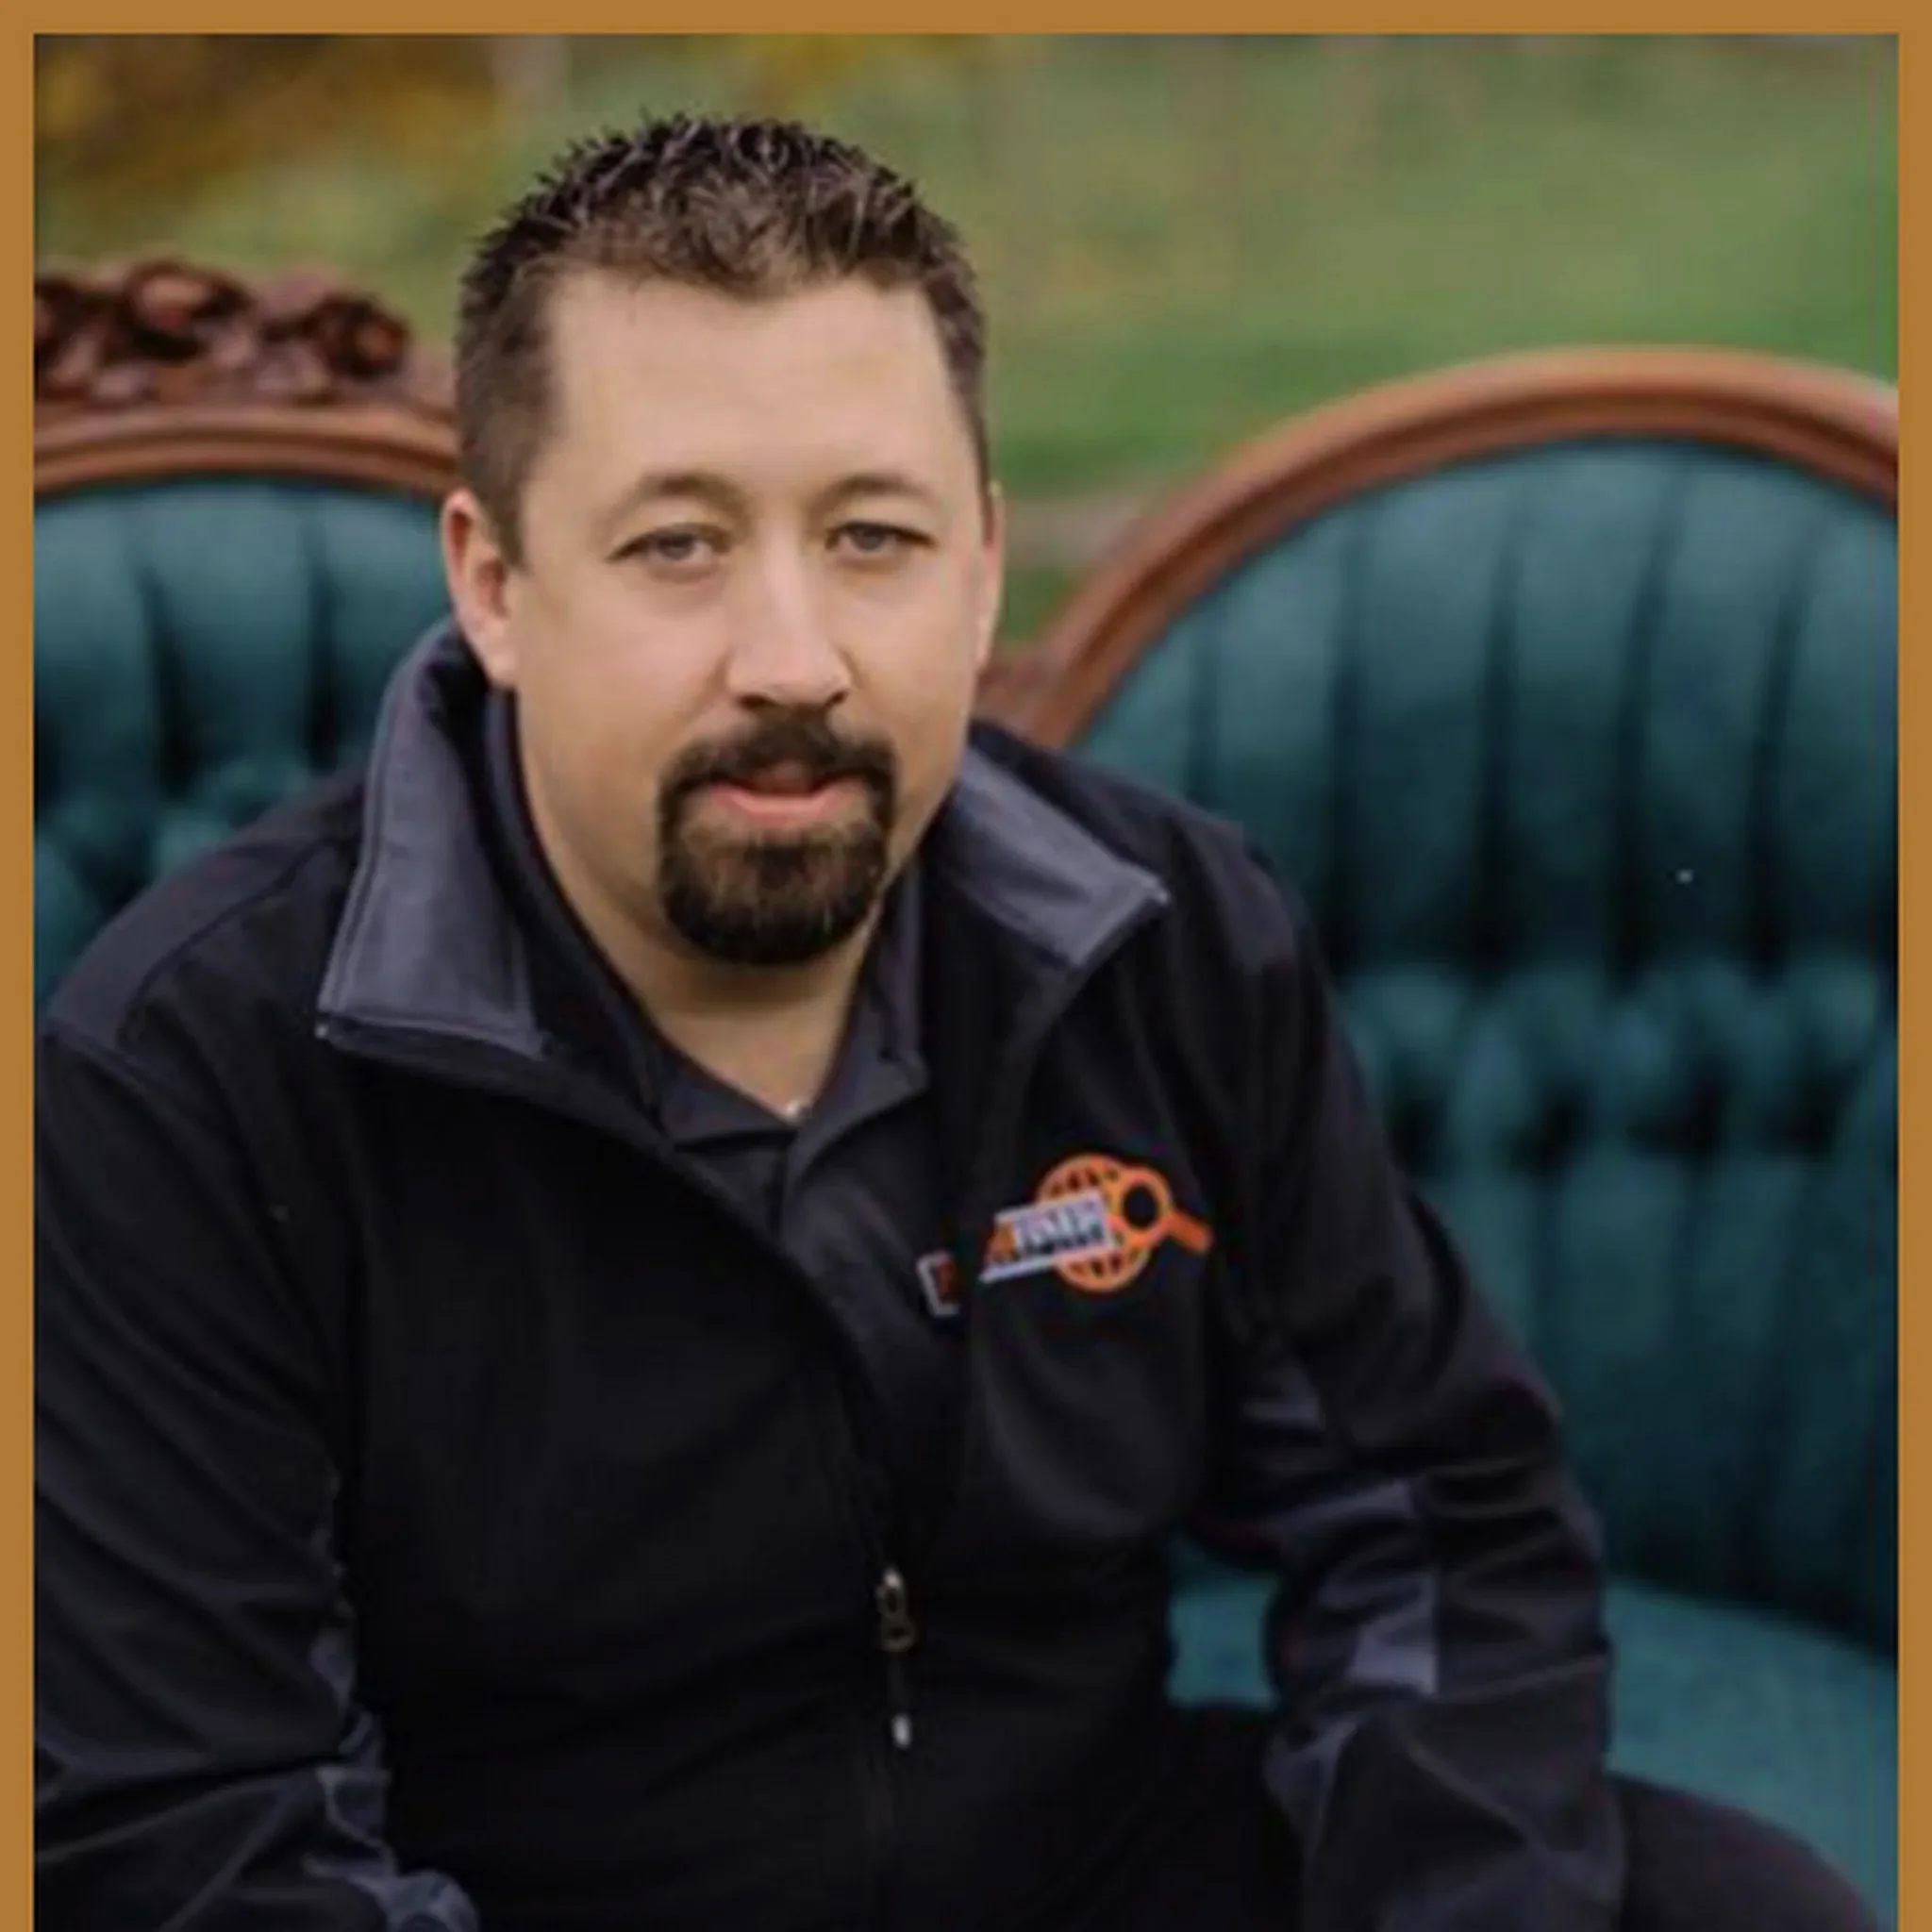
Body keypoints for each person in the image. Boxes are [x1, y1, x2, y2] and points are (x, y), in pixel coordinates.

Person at [35, 113, 1881, 1932]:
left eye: (873, 536)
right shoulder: (189, 1070)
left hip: (1090, 1862)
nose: (793, 658)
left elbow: (1429, 1515)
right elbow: (206, 1834)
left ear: (984, 564)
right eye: (678, 544)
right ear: (495, 585)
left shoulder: (1161, 933)